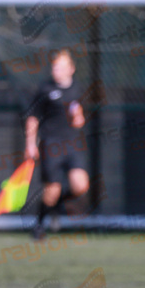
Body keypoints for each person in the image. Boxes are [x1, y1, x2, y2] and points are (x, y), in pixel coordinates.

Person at [23, 49, 89, 240]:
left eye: (60, 67)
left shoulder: (77, 88)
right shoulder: (45, 89)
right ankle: (39, 226)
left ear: (71, 69)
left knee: (81, 186)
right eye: (54, 67)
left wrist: (79, 119)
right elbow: (32, 118)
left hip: (73, 145)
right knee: (51, 191)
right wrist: (30, 144)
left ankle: (56, 207)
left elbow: (80, 119)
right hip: (51, 145)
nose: (56, 71)